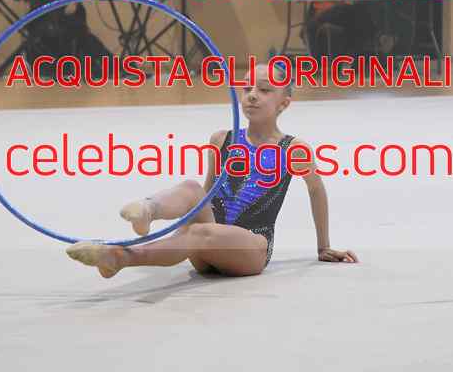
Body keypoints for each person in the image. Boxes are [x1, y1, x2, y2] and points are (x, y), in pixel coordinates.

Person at [66, 64, 358, 278]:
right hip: (207, 242)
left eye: (264, 90)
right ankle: (147, 210)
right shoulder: (221, 139)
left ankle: (121, 257)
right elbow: (206, 195)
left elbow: (316, 189)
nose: (252, 95)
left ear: (284, 103)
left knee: (199, 231)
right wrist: (184, 218)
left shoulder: (293, 149)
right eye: (247, 88)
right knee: (192, 189)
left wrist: (323, 246)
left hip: (251, 248)